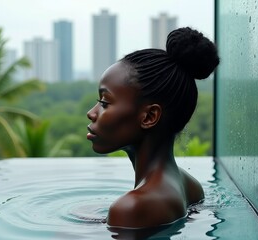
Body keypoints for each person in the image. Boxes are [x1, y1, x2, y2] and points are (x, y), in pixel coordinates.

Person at [86, 27, 219, 228]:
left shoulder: (132, 207)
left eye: (104, 102)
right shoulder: (188, 185)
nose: (92, 112)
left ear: (149, 116)